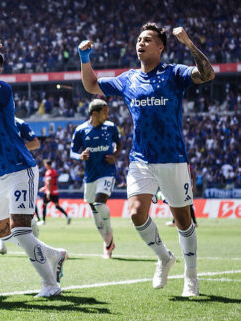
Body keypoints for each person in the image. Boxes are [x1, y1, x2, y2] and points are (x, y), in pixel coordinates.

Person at [78, 22, 214, 297]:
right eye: (139, 39)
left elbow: (207, 74)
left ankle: (191, 276)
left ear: (161, 47)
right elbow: (91, 85)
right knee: (136, 214)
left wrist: (188, 44)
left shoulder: (174, 73)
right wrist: (84, 58)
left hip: (173, 158)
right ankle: (164, 257)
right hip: (141, 159)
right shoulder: (128, 79)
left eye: (148, 39)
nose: (141, 43)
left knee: (183, 221)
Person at [0, 52, 68, 297]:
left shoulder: (2, 90)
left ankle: (51, 284)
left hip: (20, 169)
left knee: (20, 231)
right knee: (3, 232)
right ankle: (55, 255)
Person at [70, 99, 122, 259]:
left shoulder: (111, 127)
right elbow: (72, 152)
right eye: (105, 112)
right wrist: (80, 156)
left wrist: (114, 156)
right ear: (95, 113)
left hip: (107, 172)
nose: (108, 115)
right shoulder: (81, 130)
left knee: (100, 203)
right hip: (90, 176)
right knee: (94, 210)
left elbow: (119, 144)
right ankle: (108, 242)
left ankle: (109, 234)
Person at [0, 117, 41, 254]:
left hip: (19, 172)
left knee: (14, 213)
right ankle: (1, 244)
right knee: (0, 213)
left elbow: (36, 143)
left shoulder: (19, 123)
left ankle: (32, 240)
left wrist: (17, 148)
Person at [38, 160, 71, 225]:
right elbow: (52, 183)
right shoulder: (54, 172)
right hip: (55, 192)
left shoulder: (48, 172)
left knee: (44, 205)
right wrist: (44, 188)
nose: (45, 165)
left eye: (45, 164)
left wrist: (48, 191)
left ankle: (43, 221)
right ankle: (68, 216)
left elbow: (49, 183)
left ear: (48, 165)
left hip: (50, 192)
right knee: (57, 206)